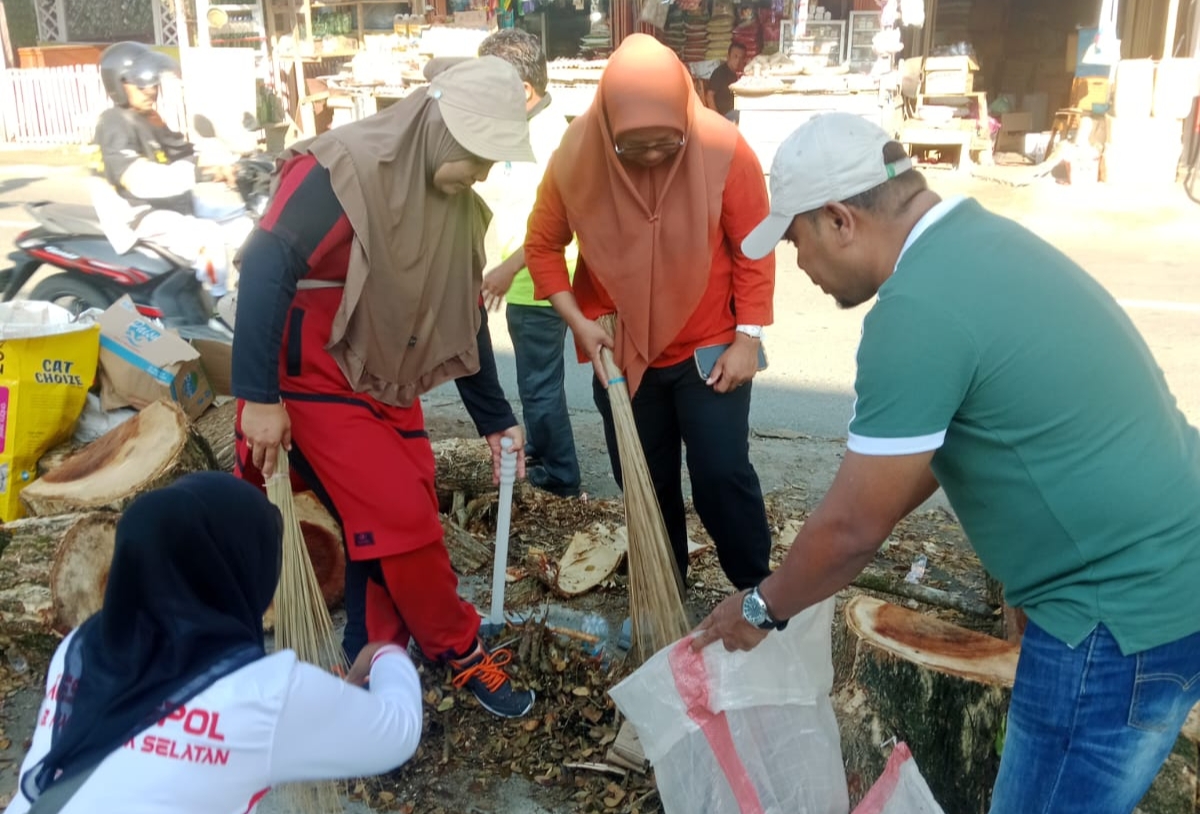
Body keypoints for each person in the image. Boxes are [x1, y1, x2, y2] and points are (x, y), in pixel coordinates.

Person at [692, 112, 1200, 814]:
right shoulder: (981, 241)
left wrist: (761, 606)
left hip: (1114, 616)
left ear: (840, 220)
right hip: (1164, 567)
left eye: (794, 239)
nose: (798, 266)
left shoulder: (916, 309)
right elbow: (973, 432)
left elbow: (853, 529)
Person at [231, 57, 537, 719]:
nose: (482, 174)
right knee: (398, 515)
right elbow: (264, 263)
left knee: (404, 510)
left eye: (493, 160)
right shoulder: (340, 169)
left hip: (382, 377)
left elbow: (462, 314)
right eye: (476, 154)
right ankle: (454, 646)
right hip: (309, 372)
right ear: (438, 127)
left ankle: (374, 654)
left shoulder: (458, 209)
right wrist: (258, 397)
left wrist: (495, 418)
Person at [3, 473, 422, 814]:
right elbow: (398, 731)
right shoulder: (264, 692)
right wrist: (387, 653)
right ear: (236, 570)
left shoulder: (81, 647)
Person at [525, 34, 776, 593]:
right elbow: (542, 246)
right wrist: (578, 322)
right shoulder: (576, 156)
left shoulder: (725, 151)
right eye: (632, 150)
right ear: (608, 125)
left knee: (721, 475)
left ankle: (758, 595)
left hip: (709, 348)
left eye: (667, 144)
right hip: (620, 353)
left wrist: (748, 339)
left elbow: (754, 248)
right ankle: (664, 592)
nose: (653, 159)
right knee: (644, 483)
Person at [475, 28, 582, 499]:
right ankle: (542, 449)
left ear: (523, 90)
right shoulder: (523, 130)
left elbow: (564, 222)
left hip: (538, 283)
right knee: (535, 383)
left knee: (538, 387)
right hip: (528, 281)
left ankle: (559, 475)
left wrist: (508, 268)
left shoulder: (550, 140)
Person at [94, 42, 241, 295]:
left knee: (244, 220)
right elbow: (139, 180)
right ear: (118, 84)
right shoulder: (113, 123)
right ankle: (217, 308)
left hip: (173, 205)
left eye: (152, 82)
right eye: (140, 83)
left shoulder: (149, 119)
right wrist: (199, 173)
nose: (150, 90)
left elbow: (185, 153)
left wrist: (231, 163)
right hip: (139, 215)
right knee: (209, 235)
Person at [705, 43, 746, 124]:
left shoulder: (737, 74)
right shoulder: (720, 72)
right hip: (724, 115)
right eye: (735, 56)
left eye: (741, 58)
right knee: (744, 114)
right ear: (728, 57)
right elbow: (709, 96)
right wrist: (717, 119)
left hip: (733, 111)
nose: (738, 61)